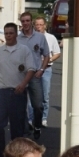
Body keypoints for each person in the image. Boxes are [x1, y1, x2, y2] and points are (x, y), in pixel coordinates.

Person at [0, 22, 36, 157]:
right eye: (6, 33)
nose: (8, 36)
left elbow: (31, 69)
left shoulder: (24, 50)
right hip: (0, 92)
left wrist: (23, 84)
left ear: (16, 34)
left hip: (17, 93)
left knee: (17, 129)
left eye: (11, 33)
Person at [17, 11, 49, 140]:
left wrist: (42, 69)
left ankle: (37, 126)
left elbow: (46, 55)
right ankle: (25, 130)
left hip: (35, 75)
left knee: (38, 105)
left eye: (27, 21)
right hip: (21, 75)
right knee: (20, 106)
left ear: (31, 22)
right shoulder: (17, 38)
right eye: (23, 21)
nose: (25, 23)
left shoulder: (40, 37)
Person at [32, 16, 60, 127]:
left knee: (45, 95)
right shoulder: (31, 37)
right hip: (33, 70)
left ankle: (43, 118)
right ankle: (31, 118)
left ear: (45, 26)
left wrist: (49, 59)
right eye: (37, 25)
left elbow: (57, 53)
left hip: (46, 69)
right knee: (32, 96)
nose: (39, 27)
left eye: (41, 25)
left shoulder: (51, 38)